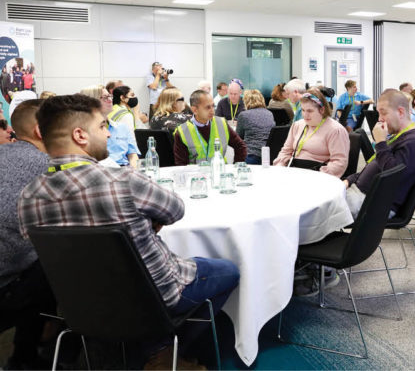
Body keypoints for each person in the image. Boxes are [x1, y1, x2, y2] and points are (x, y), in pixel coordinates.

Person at [18, 94, 239, 369]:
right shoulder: (122, 181)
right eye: (102, 126)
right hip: (156, 294)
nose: (109, 134)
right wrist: (147, 221)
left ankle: (141, 349)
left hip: (81, 304)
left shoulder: (28, 197)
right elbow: (175, 210)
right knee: (228, 271)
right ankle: (162, 350)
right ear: (80, 135)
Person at [0, 100, 54, 370]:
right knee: (60, 258)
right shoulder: (48, 166)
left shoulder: (4, 154)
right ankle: (30, 355)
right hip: (7, 287)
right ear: (41, 131)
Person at [342, 89, 415, 218]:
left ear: (400, 112)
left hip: (371, 202)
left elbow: (392, 176)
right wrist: (349, 181)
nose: (379, 119)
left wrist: (381, 143)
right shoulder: (399, 136)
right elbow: (373, 167)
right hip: (359, 193)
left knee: (315, 210)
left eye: (383, 113)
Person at [273, 90, 349, 177]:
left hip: (318, 175)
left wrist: (320, 176)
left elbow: (339, 162)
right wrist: (279, 167)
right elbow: (286, 151)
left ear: (322, 110)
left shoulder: (335, 130)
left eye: (310, 111)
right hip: (294, 172)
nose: (305, 115)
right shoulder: (298, 125)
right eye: (303, 110)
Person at [173, 89, 247, 166]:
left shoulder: (221, 123)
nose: (212, 111)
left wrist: (236, 167)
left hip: (219, 173)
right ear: (194, 110)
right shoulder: (183, 132)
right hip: (197, 176)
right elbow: (181, 165)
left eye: (213, 106)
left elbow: (240, 146)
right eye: (207, 107)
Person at [82, 85, 139, 168]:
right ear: (91, 101)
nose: (110, 100)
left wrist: (134, 172)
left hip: (125, 170)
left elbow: (133, 156)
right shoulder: (84, 131)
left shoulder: (122, 127)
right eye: (105, 97)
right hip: (101, 171)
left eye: (110, 96)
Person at [236, 90, 275, 165]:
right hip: (268, 156)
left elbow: (238, 137)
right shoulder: (269, 113)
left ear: (246, 102)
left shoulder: (244, 115)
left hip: (251, 156)